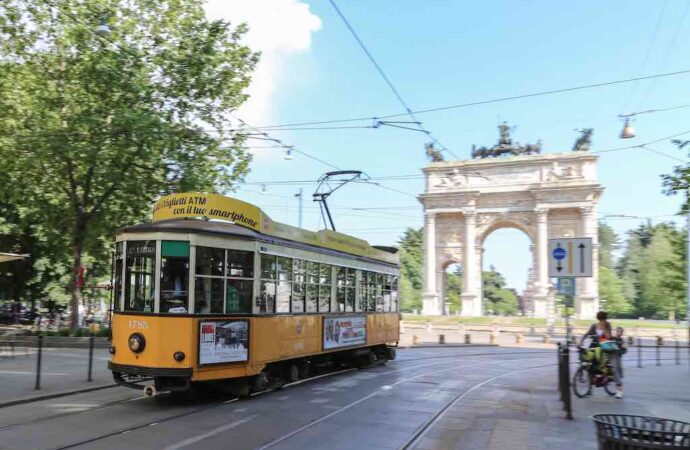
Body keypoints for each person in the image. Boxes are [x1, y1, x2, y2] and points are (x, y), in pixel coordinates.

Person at [580, 311, 623, 398]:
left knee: (614, 368)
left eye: (603, 319)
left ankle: (619, 390)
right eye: (601, 319)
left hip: (609, 349)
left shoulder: (607, 325)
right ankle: (589, 388)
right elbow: (587, 334)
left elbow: (609, 337)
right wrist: (581, 342)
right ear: (598, 319)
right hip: (598, 349)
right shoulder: (594, 326)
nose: (602, 321)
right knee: (590, 365)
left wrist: (604, 329)